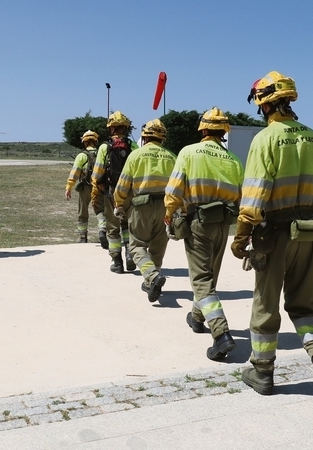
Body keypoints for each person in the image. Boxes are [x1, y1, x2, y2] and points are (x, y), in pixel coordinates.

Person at [232, 71, 313, 399]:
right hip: (309, 235)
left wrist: (241, 236)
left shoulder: (265, 139)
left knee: (265, 306)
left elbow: (254, 196)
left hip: (274, 237)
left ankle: (262, 371)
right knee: (303, 307)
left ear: (263, 104)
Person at [165, 107, 243, 360]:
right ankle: (197, 317)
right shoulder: (233, 159)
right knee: (210, 274)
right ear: (223, 132)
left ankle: (221, 334)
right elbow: (240, 195)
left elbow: (174, 188)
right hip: (223, 223)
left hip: (197, 222)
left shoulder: (188, 152)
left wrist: (170, 212)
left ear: (203, 130)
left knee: (200, 278)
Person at [113, 119, 176, 302]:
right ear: (162, 138)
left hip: (142, 206)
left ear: (145, 137)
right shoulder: (172, 157)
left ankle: (152, 276)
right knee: (157, 248)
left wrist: (119, 204)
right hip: (165, 207)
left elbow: (123, 184)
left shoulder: (136, 155)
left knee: (137, 245)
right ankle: (151, 283)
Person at [92, 111, 135, 273]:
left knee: (113, 227)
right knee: (127, 225)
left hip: (111, 193)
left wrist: (97, 188)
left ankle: (117, 262)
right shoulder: (132, 145)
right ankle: (130, 254)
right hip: (129, 192)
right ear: (125, 128)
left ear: (111, 128)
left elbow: (97, 173)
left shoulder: (105, 147)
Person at [65, 130, 100, 243]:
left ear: (85, 142)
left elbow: (74, 173)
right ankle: (103, 232)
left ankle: (82, 237)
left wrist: (69, 187)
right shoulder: (101, 154)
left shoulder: (81, 156)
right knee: (101, 212)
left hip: (85, 188)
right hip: (99, 188)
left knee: (82, 213)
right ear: (95, 141)